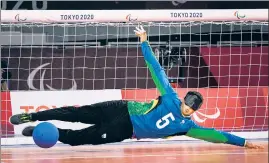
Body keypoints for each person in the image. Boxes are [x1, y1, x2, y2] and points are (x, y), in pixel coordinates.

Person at [10, 26, 263, 149]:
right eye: (186, 104)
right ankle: (31, 116)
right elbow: (157, 70)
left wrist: (243, 143)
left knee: (77, 140)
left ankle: (43, 132)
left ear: (195, 110)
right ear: (184, 100)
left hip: (125, 130)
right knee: (74, 112)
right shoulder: (171, 97)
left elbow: (217, 136)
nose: (186, 109)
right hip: (121, 108)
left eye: (190, 108)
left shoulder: (188, 127)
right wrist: (144, 42)